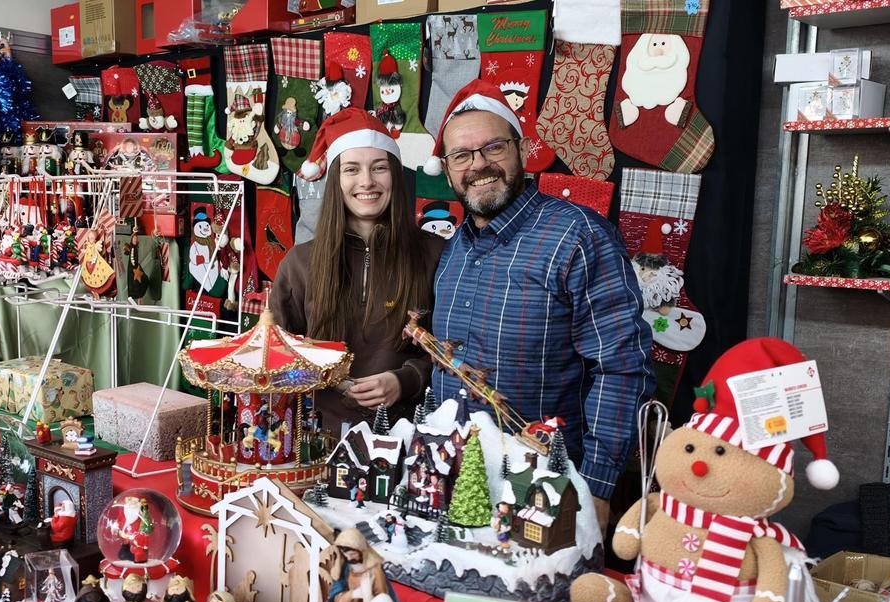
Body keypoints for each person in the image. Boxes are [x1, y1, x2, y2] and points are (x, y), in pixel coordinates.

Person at [423, 80, 654, 531]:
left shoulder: (578, 236)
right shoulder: (453, 250)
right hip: (451, 481)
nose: (479, 165)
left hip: (542, 491)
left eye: (493, 147)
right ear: (448, 170)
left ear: (521, 150)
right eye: (462, 156)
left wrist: (596, 489)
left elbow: (622, 369)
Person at [272, 108, 442, 437]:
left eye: (379, 168)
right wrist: (319, 376)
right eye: (352, 169)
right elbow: (275, 355)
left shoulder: (434, 254)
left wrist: (405, 380)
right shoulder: (298, 263)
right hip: (316, 442)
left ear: (395, 175)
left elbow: (454, 351)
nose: (366, 181)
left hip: (408, 441)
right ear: (336, 180)